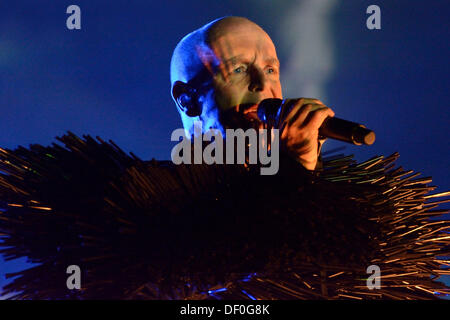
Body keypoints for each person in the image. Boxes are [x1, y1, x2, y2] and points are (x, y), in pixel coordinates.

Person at [170, 16, 335, 171]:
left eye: (270, 70)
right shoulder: (157, 193)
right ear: (186, 99)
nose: (262, 84)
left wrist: (311, 166)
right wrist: (294, 167)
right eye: (238, 70)